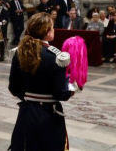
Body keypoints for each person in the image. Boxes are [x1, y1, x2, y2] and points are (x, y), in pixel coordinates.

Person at [8, 13, 74, 151]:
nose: (54, 29)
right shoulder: (56, 56)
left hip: (26, 112)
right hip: (49, 115)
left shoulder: (19, 53)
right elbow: (60, 93)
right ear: (46, 32)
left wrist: (30, 98)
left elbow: (14, 87)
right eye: (52, 27)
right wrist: (72, 88)